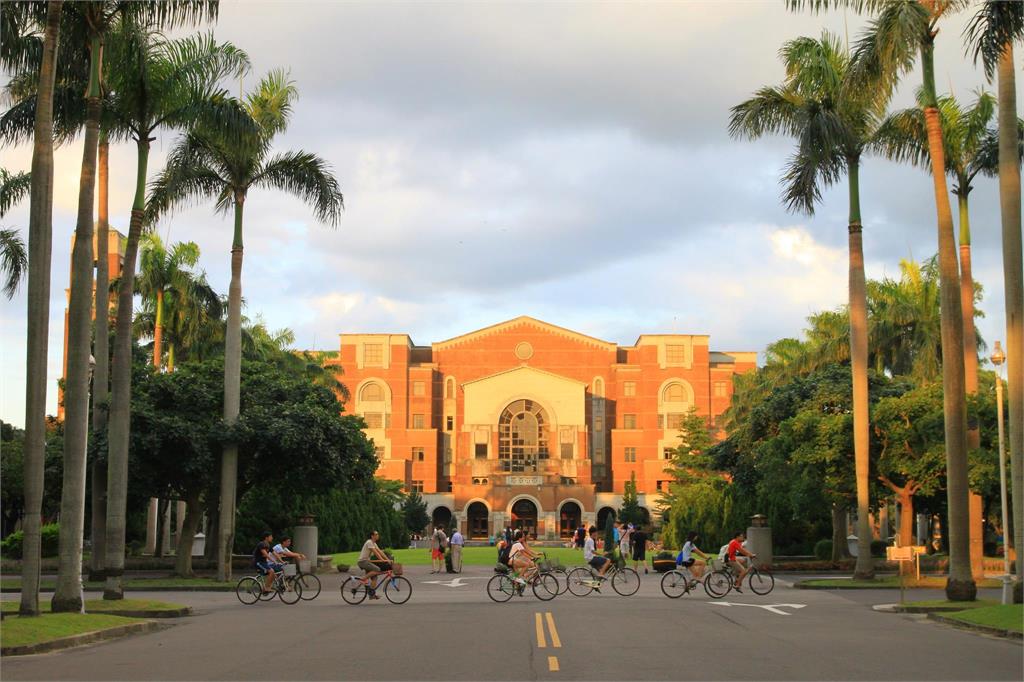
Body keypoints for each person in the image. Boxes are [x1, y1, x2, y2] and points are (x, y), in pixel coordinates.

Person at [357, 530, 391, 599]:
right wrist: (383, 560)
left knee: (375, 577)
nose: (378, 535)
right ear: (372, 536)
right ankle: (362, 579)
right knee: (377, 569)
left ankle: (371, 595)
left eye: (378, 534)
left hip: (367, 562)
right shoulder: (369, 542)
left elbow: (380, 552)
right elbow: (376, 553)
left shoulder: (374, 543)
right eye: (376, 534)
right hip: (363, 562)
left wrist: (387, 559)